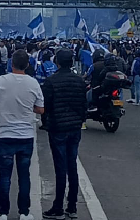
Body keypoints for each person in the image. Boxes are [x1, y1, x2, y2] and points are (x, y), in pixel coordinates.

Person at [0, 49, 44, 220]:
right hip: (25, 136)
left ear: (11, 63)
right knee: (24, 176)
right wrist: (26, 107)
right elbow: (41, 109)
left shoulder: (2, 80)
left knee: (5, 177)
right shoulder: (33, 83)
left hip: (5, 136)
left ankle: (2, 213)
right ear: (27, 65)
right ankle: (24, 212)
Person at [41, 50, 86, 220]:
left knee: (60, 168)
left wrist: (46, 123)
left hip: (58, 128)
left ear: (57, 62)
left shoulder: (51, 81)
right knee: (72, 166)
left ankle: (58, 207)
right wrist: (80, 120)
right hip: (74, 127)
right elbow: (83, 105)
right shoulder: (79, 81)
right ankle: (72, 207)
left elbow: (45, 106)